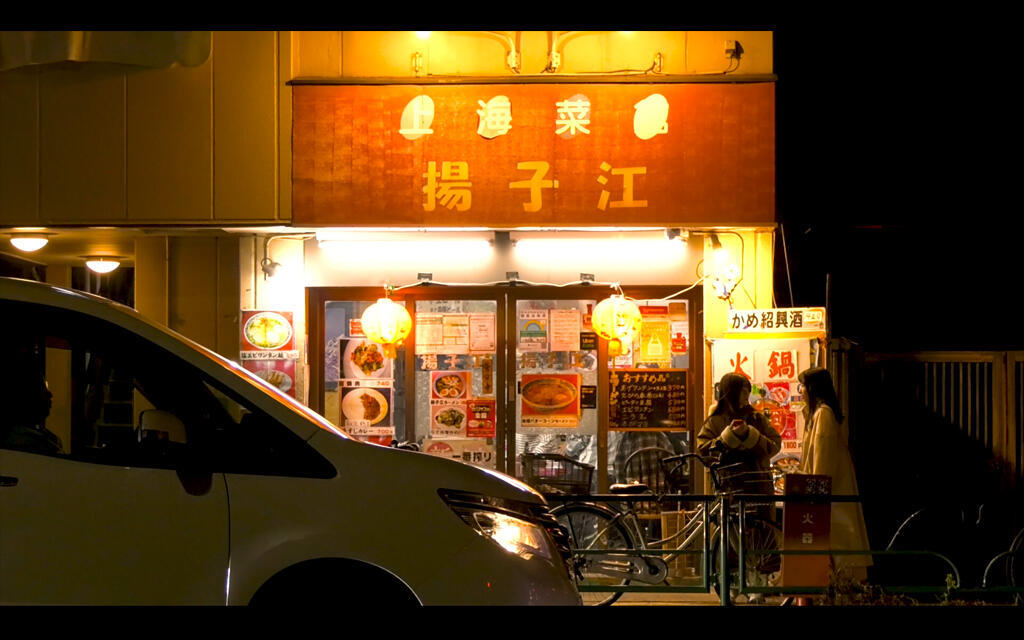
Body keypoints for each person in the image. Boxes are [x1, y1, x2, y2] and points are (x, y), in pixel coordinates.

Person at [797, 367, 872, 582]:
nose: (800, 390)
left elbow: (822, 459)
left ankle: (841, 585)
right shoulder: (819, 413)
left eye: (803, 385)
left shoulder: (823, 414)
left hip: (831, 494)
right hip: (832, 491)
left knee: (837, 542)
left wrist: (815, 492)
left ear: (812, 388)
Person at [697, 372, 781, 498]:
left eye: (748, 391)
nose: (747, 395)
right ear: (731, 392)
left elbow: (775, 444)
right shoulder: (714, 421)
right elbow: (703, 451)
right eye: (743, 391)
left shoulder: (757, 418)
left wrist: (750, 435)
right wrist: (727, 438)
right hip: (728, 488)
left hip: (759, 488)